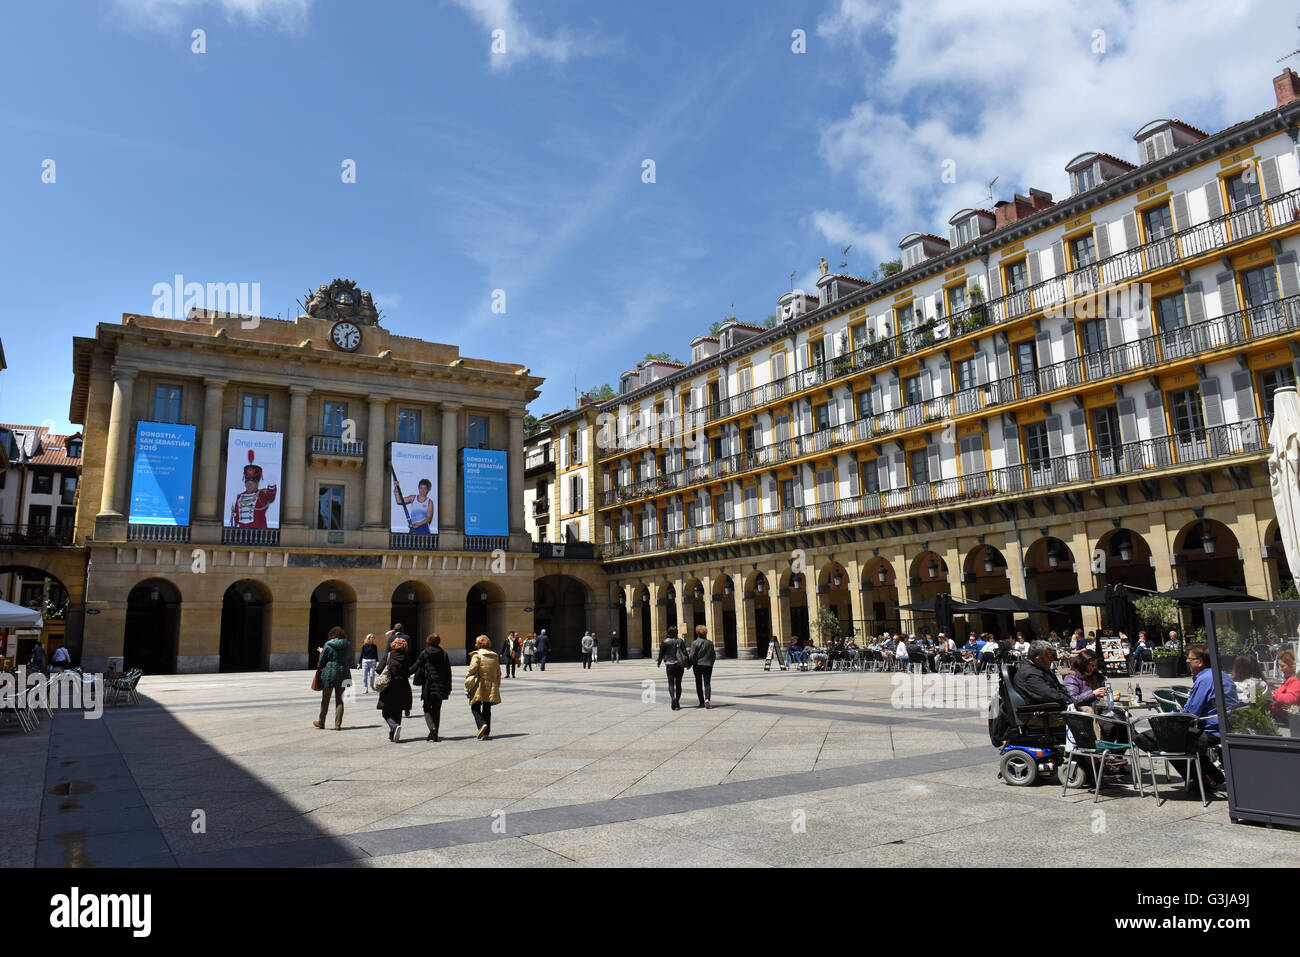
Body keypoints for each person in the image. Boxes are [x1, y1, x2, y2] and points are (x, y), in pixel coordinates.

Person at [1135, 642, 1236, 792]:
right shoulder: (1218, 674)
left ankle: (1203, 778)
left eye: (1189, 659)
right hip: (1224, 726)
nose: (1187, 661)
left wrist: (1169, 716)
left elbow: (1190, 713)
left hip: (1211, 730)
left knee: (1151, 739)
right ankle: (1209, 775)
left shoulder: (1205, 678)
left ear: (1199, 662)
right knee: (1166, 737)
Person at [1011, 640, 1075, 712]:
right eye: (1049, 657)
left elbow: (1059, 687)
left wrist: (1071, 699)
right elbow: (1050, 695)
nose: (1052, 660)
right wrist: (1072, 702)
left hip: (1059, 706)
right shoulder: (1029, 674)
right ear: (1038, 659)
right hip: (1044, 715)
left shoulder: (1041, 667)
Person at [410, 633, 452, 741]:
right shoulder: (443, 653)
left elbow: (416, 666)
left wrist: (405, 672)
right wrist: (449, 686)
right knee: (437, 709)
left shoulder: (425, 653)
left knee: (426, 707)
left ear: (428, 640)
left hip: (428, 685)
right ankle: (435, 732)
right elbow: (448, 671)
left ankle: (432, 729)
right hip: (440, 685)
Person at [313, 626, 352, 731]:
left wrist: (322, 652)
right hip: (343, 672)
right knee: (340, 700)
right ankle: (337, 725)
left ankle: (321, 722)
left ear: (332, 635)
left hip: (329, 673)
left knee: (325, 700)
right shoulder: (347, 644)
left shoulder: (327, 644)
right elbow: (347, 656)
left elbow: (322, 659)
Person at [464, 634, 502, 740]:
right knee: (487, 707)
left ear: (479, 644)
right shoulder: (494, 655)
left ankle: (481, 725)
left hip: (479, 684)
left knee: (475, 706)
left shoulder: (477, 655)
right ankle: (486, 732)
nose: (474, 644)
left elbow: (472, 670)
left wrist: (467, 680)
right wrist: (497, 685)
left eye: (476, 642)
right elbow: (498, 672)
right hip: (491, 684)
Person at [377, 634, 412, 742]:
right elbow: (409, 671)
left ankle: (394, 726)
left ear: (393, 645)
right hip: (403, 685)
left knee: (386, 712)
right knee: (398, 710)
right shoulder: (406, 657)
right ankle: (393, 735)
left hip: (390, 685)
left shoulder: (389, 655)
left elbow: (379, 669)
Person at [657, 626, 689, 710]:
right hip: (679, 664)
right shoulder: (680, 641)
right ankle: (677, 702)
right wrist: (688, 663)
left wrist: (659, 662)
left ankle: (672, 698)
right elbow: (685, 653)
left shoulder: (664, 641)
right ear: (676, 633)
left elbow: (661, 653)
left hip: (669, 664)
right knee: (678, 683)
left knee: (670, 683)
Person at [689, 624, 716, 709]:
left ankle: (701, 702)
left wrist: (692, 663)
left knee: (698, 683)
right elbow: (713, 655)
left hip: (698, 665)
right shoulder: (710, 643)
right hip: (708, 665)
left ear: (697, 633)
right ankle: (707, 699)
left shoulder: (694, 643)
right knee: (707, 683)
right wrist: (711, 663)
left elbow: (692, 655)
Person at [1270, 648, 1299, 718]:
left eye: (1282, 666)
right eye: (1279, 666)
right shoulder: (1290, 678)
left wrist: (1272, 695)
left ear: (1293, 666)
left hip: (1292, 716)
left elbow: (1291, 698)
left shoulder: (1297, 680)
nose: (1280, 669)